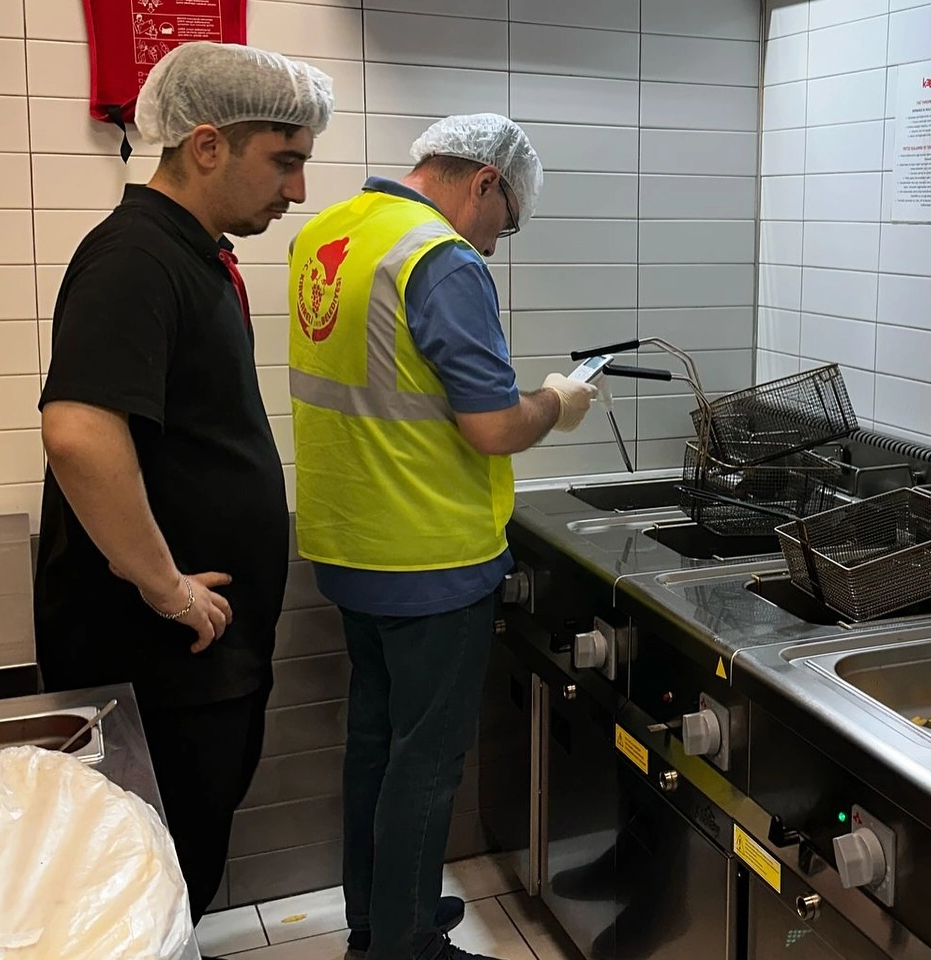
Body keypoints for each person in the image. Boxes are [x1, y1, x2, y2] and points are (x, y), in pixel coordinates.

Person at [33, 42, 334, 937]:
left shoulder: (191, 253)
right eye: (284, 161)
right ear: (207, 145)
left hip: (198, 658)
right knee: (146, 887)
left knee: (180, 869)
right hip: (161, 658)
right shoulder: (136, 256)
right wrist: (166, 587)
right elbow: (78, 431)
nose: (298, 190)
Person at [287, 114, 596, 960]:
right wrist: (557, 403)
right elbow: (494, 427)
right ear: (485, 182)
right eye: (507, 221)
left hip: (346, 541)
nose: (495, 243)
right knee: (424, 761)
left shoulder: (330, 234)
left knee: (374, 745)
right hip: (431, 554)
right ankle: (409, 944)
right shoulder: (442, 258)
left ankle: (379, 921)